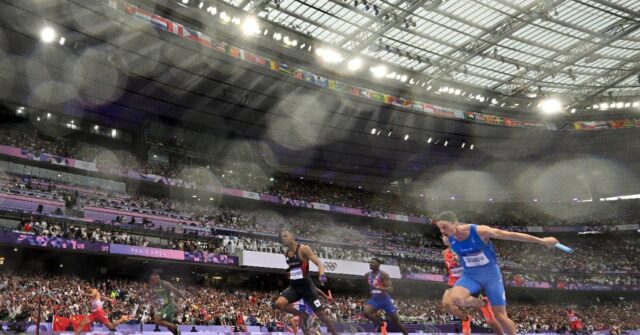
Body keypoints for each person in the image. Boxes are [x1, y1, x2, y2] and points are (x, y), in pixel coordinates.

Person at [434, 211, 560, 335]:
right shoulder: (448, 240)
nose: (443, 231)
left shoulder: (479, 231)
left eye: (445, 227)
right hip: (471, 276)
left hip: (491, 276)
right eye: (440, 229)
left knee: (500, 316)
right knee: (457, 298)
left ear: (455, 223)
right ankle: (483, 303)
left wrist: (542, 241)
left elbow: (511, 235)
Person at [274, 229, 338, 335]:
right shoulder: (286, 253)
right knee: (278, 304)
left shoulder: (304, 249)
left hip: (307, 288)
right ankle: (303, 315)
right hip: (294, 287)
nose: (283, 238)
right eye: (282, 237)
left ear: (293, 236)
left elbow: (319, 263)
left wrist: (321, 275)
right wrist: (291, 273)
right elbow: (295, 268)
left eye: (285, 236)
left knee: (322, 316)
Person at [441, 235, 504, 335]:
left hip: (470, 281)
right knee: (446, 304)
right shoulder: (444, 253)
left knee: (489, 320)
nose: (444, 238)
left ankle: (484, 305)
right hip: (454, 282)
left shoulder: (463, 248)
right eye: (443, 236)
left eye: (447, 236)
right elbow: (449, 268)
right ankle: (465, 319)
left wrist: (462, 258)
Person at [363, 258, 408, 335]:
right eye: (370, 262)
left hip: (385, 300)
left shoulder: (383, 275)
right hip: (374, 299)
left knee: (396, 322)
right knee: (366, 313)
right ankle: (382, 324)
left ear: (378, 264)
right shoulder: (367, 275)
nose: (370, 264)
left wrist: (379, 288)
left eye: (373, 262)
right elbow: (370, 286)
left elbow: (390, 289)